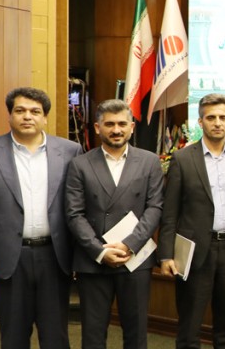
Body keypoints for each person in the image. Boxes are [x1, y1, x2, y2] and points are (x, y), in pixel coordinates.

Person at [0, 87, 82, 349]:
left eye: (35, 111)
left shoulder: (70, 151)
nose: (27, 116)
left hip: (55, 256)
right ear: (10, 115)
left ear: (45, 118)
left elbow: (78, 205)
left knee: (56, 337)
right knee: (13, 336)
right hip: (8, 258)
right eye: (20, 111)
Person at [157, 93, 225, 349]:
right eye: (211, 117)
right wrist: (166, 255)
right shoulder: (183, 159)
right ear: (201, 121)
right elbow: (170, 212)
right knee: (190, 324)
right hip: (194, 251)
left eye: (223, 118)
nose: (217, 123)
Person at [64, 99, 164, 349]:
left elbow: (155, 208)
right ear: (98, 128)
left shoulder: (150, 161)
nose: (116, 130)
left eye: (122, 124)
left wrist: (129, 244)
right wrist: (100, 251)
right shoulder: (80, 164)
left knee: (136, 333)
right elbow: (74, 214)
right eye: (109, 124)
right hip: (93, 260)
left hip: (135, 259)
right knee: (93, 335)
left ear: (132, 127)